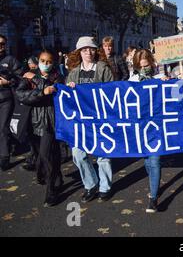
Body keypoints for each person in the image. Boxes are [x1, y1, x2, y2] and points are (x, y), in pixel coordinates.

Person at [66, 37, 114, 203]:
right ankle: (90, 184)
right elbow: (67, 100)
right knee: (78, 154)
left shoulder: (103, 69)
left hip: (101, 119)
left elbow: (112, 92)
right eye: (84, 50)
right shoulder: (73, 73)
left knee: (103, 155)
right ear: (79, 52)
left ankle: (105, 187)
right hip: (81, 121)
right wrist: (69, 90)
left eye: (91, 49)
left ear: (96, 50)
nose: (88, 52)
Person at [16, 49, 65, 206]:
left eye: (49, 61)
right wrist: (41, 89)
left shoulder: (58, 77)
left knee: (46, 155)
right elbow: (21, 95)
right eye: (43, 61)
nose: (46, 64)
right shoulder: (29, 77)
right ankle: (56, 177)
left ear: (54, 63)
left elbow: (61, 92)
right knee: (42, 155)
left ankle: (51, 192)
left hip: (50, 122)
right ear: (38, 61)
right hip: (32, 122)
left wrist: (40, 83)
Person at [129, 49, 161, 213]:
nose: (144, 69)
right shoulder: (133, 79)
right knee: (147, 161)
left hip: (157, 125)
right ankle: (153, 183)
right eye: (140, 66)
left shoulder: (160, 77)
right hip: (140, 126)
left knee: (154, 160)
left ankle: (153, 197)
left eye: (146, 65)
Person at [0, 34, 23, 171]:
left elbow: (21, 78)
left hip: (5, 98)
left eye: (3, 44)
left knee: (3, 128)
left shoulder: (11, 60)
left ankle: (4, 157)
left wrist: (7, 82)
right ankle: (14, 144)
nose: (1, 46)